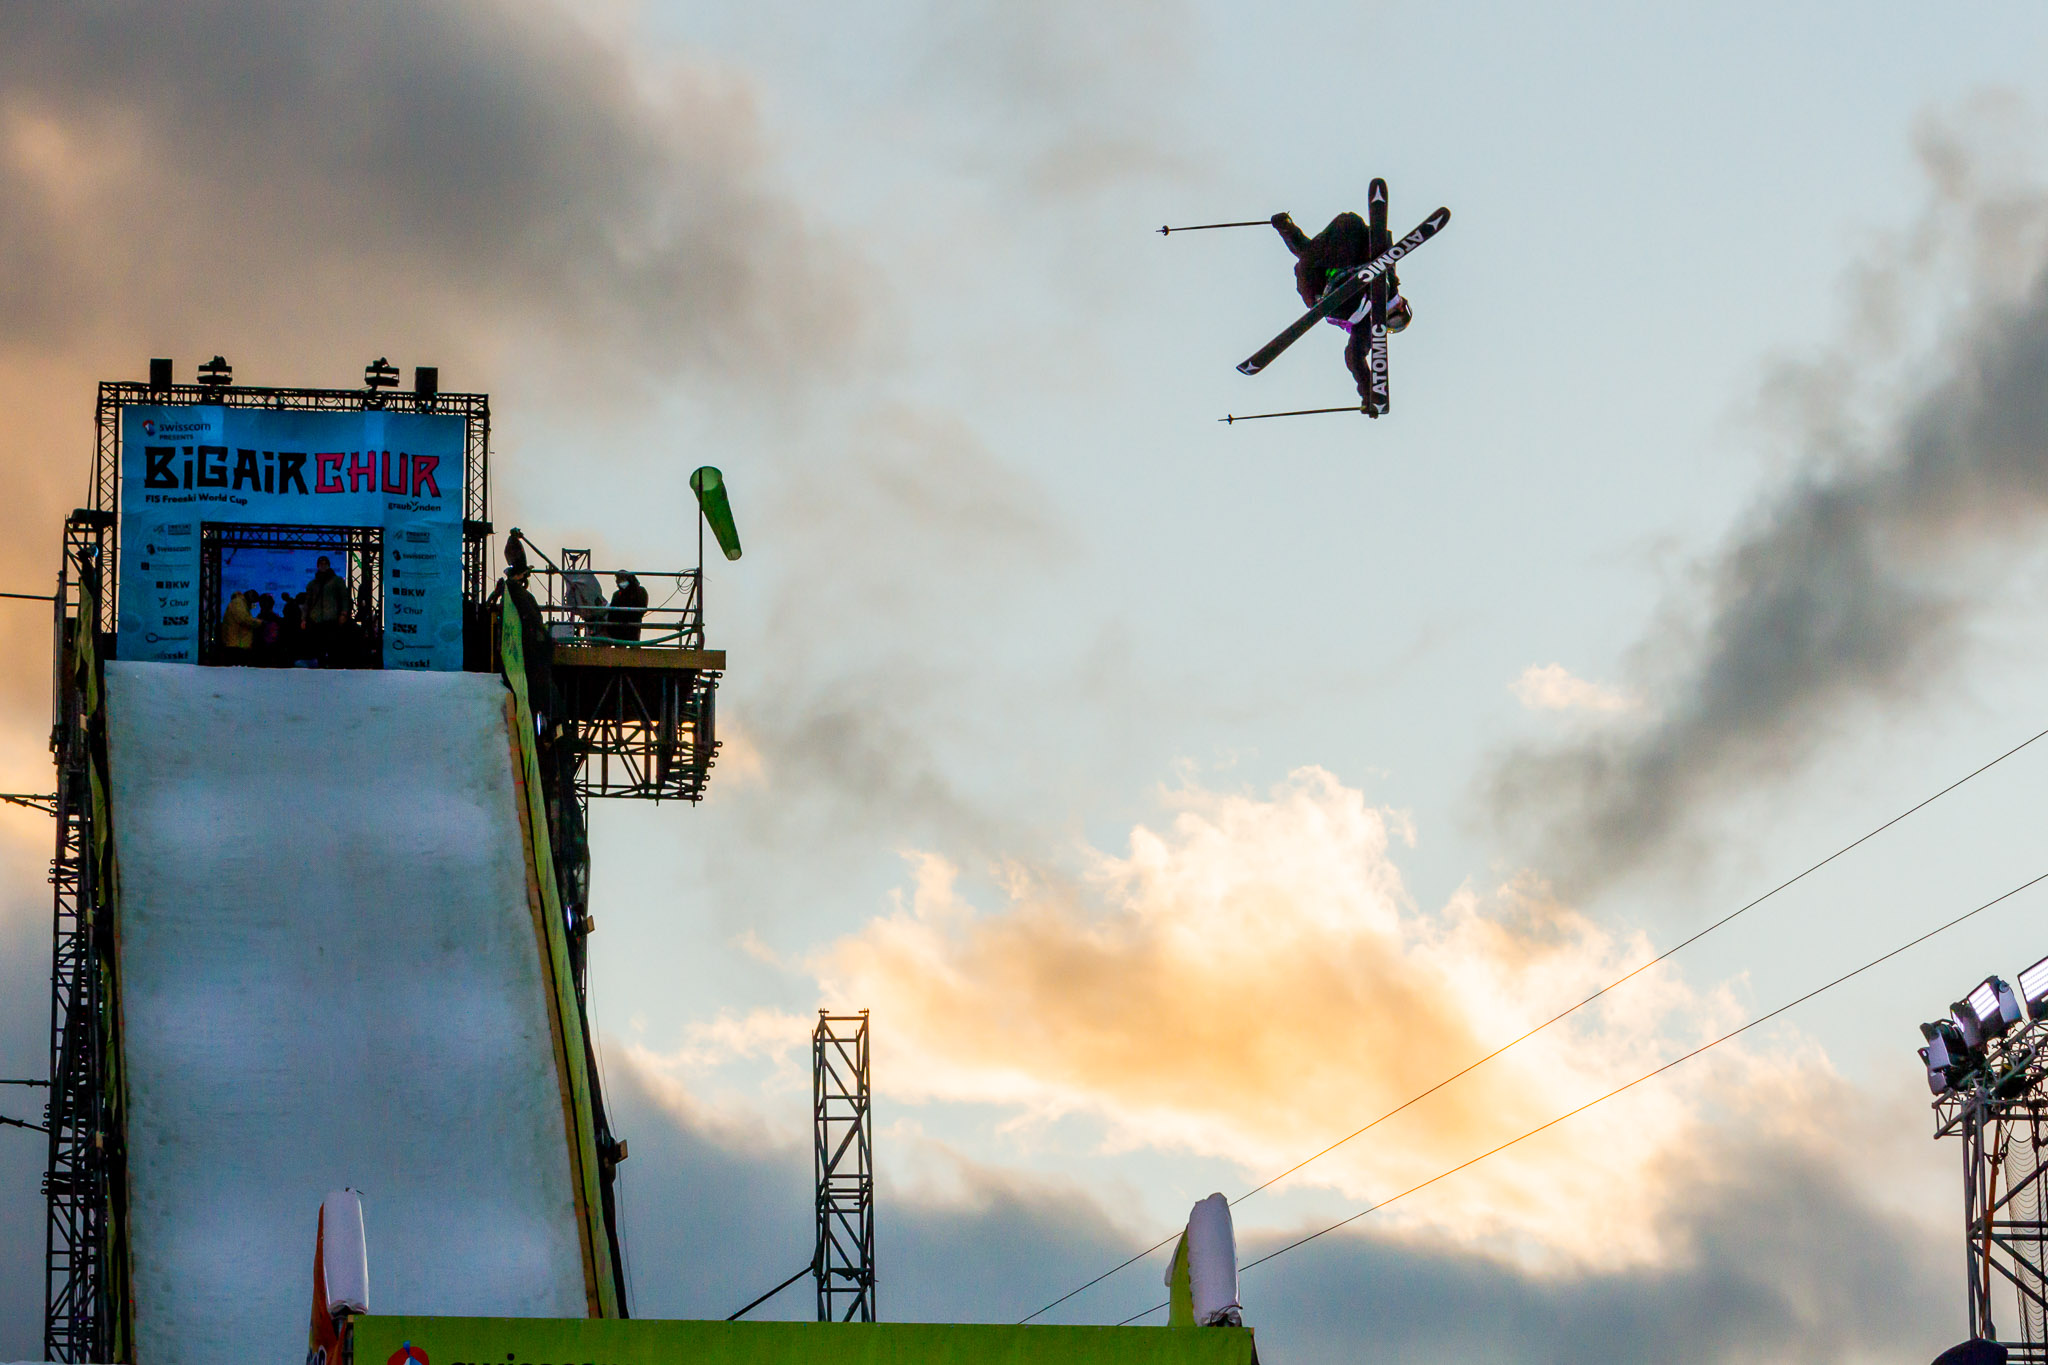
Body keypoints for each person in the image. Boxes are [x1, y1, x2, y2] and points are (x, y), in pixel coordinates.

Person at [1270, 211, 1412, 402]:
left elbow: (1354, 356)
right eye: (1397, 318)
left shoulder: (1366, 328)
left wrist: (1369, 393)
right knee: (1355, 227)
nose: (1388, 319)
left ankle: (1340, 290)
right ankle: (1352, 281)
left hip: (1318, 282)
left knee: (1310, 258)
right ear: (1402, 305)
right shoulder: (1389, 281)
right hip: (1344, 247)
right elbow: (1385, 249)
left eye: (1391, 324)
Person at [303, 556, 349, 667]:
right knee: (319, 647)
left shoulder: (337, 581)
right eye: (321, 564)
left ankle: (333, 666)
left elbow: (344, 598)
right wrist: (304, 619)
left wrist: (344, 613)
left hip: (331, 618)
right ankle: (322, 666)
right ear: (318, 566)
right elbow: (307, 603)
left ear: (328, 565)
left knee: (333, 646)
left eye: (325, 564)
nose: (323, 566)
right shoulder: (312, 584)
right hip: (316, 619)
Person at [607, 572, 648, 643]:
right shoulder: (617, 595)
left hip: (633, 626)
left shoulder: (640, 591)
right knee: (620, 649)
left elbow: (642, 608)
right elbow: (612, 613)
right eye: (618, 580)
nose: (620, 582)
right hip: (619, 628)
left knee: (634, 647)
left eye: (622, 579)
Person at [219, 590, 257, 663]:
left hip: (236, 642)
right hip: (236, 643)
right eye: (253, 602)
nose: (253, 604)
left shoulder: (239, 603)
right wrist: (259, 623)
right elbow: (243, 619)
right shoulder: (238, 603)